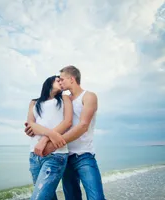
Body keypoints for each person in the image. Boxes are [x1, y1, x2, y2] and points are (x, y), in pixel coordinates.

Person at [25, 66, 106, 200]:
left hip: (83, 155)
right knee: (72, 197)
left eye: (62, 79)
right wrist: (33, 130)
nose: (60, 82)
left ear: (71, 79)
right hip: (66, 156)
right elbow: (47, 120)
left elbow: (83, 126)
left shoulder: (88, 96)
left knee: (96, 197)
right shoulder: (62, 99)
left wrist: (51, 144)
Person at [26, 75, 73, 200]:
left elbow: (67, 122)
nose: (61, 83)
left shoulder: (64, 98)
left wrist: (44, 139)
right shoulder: (34, 102)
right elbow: (31, 124)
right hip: (34, 155)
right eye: (58, 81)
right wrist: (51, 134)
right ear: (49, 82)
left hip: (56, 154)